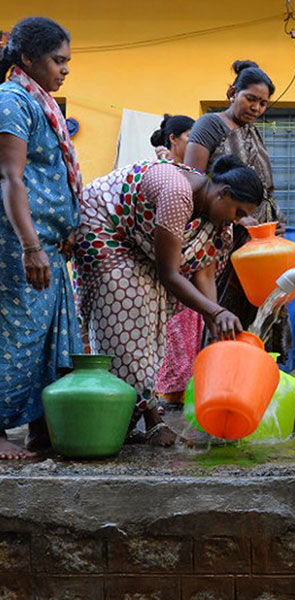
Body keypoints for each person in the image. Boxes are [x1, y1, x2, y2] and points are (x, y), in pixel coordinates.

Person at [73, 155, 263, 446]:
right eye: (237, 211)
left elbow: (205, 274)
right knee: (129, 315)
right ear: (223, 192)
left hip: (139, 245)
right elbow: (169, 274)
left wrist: (215, 324)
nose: (235, 221)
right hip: (104, 229)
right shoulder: (177, 193)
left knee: (152, 320)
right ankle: (151, 421)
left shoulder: (215, 216)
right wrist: (216, 310)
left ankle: (125, 422)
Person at [0, 17, 81, 459]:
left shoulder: (41, 101)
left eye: (67, 61)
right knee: (15, 338)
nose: (65, 69)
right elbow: (10, 178)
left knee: (49, 339)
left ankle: (40, 428)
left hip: (49, 246)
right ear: (28, 58)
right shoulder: (12, 101)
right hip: (18, 246)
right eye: (57, 60)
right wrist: (31, 245)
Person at [184, 60, 289, 350]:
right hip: (227, 235)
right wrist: (238, 220)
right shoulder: (210, 125)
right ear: (233, 92)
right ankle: (220, 372)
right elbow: (191, 179)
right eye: (251, 99)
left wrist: (275, 221)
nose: (257, 108)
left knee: (268, 307)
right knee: (225, 307)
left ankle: (263, 376)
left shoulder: (254, 133)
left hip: (263, 241)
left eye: (264, 103)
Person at [149, 114, 204, 406]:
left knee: (187, 327)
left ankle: (180, 389)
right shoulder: (164, 172)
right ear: (174, 139)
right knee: (172, 330)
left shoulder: (188, 172)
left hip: (188, 264)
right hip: (169, 264)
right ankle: (167, 391)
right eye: (189, 138)